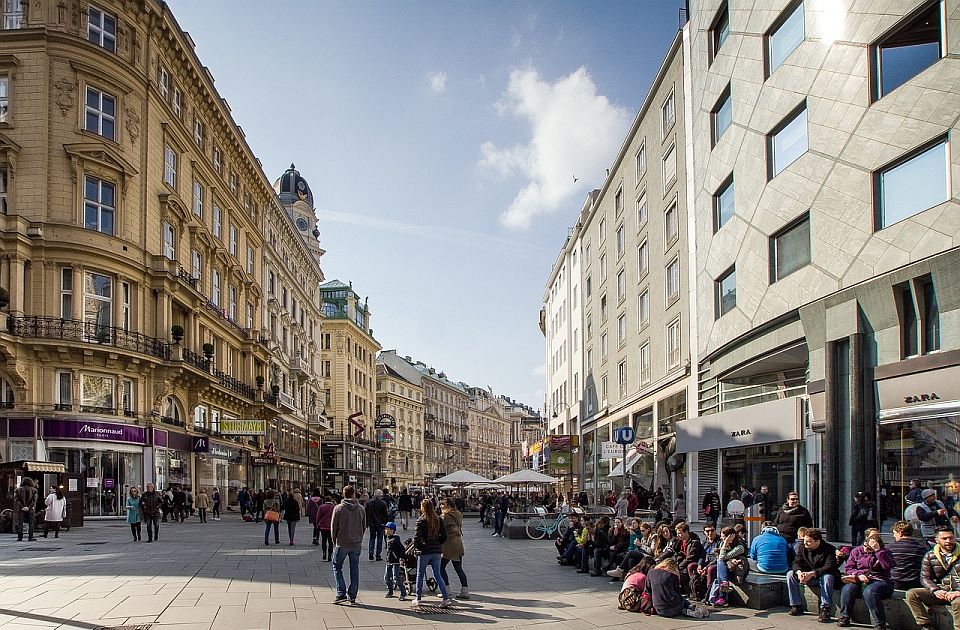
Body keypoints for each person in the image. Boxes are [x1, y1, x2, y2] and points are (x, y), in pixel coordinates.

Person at [838, 529, 895, 629]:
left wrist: (878, 551)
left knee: (870, 592)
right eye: (865, 545)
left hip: (880, 581)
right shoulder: (856, 551)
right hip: (860, 580)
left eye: (868, 548)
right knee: (848, 589)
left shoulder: (885, 552)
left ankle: (880, 623)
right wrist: (859, 574)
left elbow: (888, 566)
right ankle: (844, 617)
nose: (865, 549)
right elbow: (849, 568)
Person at [908, 527, 960, 630]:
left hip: (957, 593)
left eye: (951, 538)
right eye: (944, 538)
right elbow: (924, 577)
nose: (948, 541)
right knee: (911, 594)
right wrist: (935, 590)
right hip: (943, 591)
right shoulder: (930, 555)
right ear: (936, 540)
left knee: (958, 603)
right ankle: (926, 626)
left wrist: (958, 592)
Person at [786, 529, 838, 622]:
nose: (806, 544)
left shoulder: (829, 549)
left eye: (809, 542)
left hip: (821, 575)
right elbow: (797, 562)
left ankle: (825, 609)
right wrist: (799, 573)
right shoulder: (802, 547)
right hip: (806, 574)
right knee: (790, 574)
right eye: (805, 541)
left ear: (817, 541)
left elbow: (829, 567)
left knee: (828, 578)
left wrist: (813, 573)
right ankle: (796, 605)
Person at [413, 499, 453, 608]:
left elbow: (417, 538)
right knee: (438, 574)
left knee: (420, 574)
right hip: (436, 551)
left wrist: (418, 547)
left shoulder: (421, 520)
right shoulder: (438, 519)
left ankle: (418, 598)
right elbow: (444, 536)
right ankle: (446, 598)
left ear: (423, 508)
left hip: (424, 551)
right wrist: (438, 543)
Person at [331, 485, 366, 605]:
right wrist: (359, 537)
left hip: (342, 542)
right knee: (354, 568)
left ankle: (341, 593)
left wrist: (334, 541)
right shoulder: (361, 508)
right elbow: (364, 526)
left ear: (343, 494)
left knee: (337, 566)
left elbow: (333, 527)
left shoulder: (338, 508)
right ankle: (352, 595)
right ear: (353, 494)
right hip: (356, 543)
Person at [645, 558, 710, 618]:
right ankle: (689, 608)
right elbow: (677, 594)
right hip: (673, 609)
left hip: (658, 609)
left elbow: (647, 590)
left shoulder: (651, 572)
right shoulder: (673, 576)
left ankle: (688, 609)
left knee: (680, 600)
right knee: (682, 600)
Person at [440, 498, 469, 600]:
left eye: (443, 504)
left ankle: (446, 590)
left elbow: (440, 529)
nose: (441, 506)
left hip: (449, 545)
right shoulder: (458, 514)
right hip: (458, 543)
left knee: (440, 567)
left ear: (448, 505)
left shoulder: (446, 516)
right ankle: (465, 590)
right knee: (458, 568)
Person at [890, 521, 926, 590]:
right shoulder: (922, 549)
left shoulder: (890, 548)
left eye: (894, 533)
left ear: (900, 533)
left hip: (895, 583)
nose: (893, 536)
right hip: (915, 584)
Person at [383, 521, 407, 600]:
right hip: (389, 561)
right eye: (385, 529)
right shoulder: (388, 538)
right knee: (387, 577)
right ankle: (390, 591)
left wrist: (401, 558)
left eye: (387, 529)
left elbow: (402, 549)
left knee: (396, 577)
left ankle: (403, 592)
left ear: (392, 530)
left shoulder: (395, 540)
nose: (385, 531)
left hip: (395, 561)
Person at [365, 489, 389, 561]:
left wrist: (366, 523)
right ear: (380, 496)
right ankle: (378, 555)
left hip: (372, 523)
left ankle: (371, 553)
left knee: (372, 538)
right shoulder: (383, 503)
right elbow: (386, 515)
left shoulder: (369, 502)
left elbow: (366, 513)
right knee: (379, 539)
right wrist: (386, 523)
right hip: (380, 524)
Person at [14, 477, 37, 542]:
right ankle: (30, 537)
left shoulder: (17, 490)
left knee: (20, 522)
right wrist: (28, 507)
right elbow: (34, 500)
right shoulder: (34, 490)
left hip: (21, 509)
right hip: (31, 509)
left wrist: (22, 506)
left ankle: (20, 537)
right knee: (31, 523)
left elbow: (16, 499)